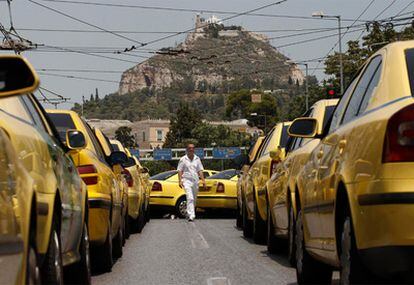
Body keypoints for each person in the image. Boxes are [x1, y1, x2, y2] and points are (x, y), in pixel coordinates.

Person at [177, 143, 206, 221]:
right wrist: (180, 181)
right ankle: (191, 215)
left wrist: (203, 180)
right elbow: (180, 170)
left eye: (192, 148)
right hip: (186, 180)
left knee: (194, 198)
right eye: (189, 148)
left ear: (194, 150)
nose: (191, 149)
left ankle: (190, 212)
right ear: (187, 149)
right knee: (190, 197)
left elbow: (200, 170)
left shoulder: (197, 159)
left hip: (195, 181)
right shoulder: (183, 159)